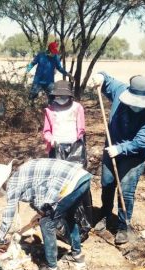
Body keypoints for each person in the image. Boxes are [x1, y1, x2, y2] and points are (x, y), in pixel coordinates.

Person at [0, 158, 92, 270]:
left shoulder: (13, 184)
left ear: (3, 183)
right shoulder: (23, 173)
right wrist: (41, 211)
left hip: (71, 183)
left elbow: (8, 217)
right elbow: (42, 192)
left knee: (46, 223)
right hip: (83, 178)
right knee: (68, 216)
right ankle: (77, 255)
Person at [91, 73, 145, 245]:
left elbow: (142, 141)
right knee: (107, 184)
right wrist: (99, 77)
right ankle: (105, 214)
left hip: (134, 156)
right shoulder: (120, 90)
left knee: (126, 191)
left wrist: (121, 149)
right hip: (111, 148)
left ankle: (123, 226)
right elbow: (107, 79)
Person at [43, 80, 92, 238]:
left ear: (69, 96)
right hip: (57, 149)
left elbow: (81, 130)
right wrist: (52, 140)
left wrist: (75, 145)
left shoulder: (77, 108)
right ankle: (61, 221)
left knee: (77, 184)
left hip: (74, 149)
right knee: (59, 185)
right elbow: (46, 131)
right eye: (59, 96)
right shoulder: (50, 110)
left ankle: (83, 221)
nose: (61, 98)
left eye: (64, 96)